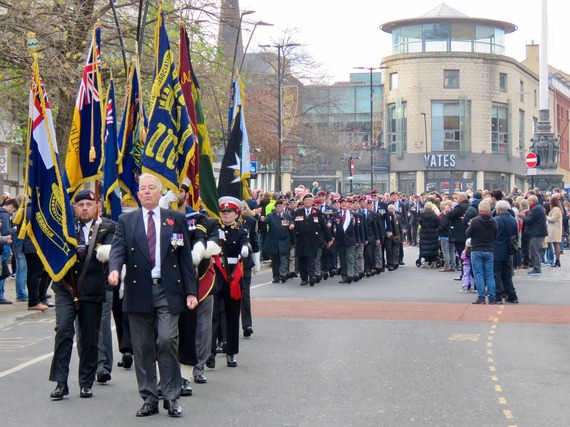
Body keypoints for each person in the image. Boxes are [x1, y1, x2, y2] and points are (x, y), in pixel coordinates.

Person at [108, 173, 198, 418]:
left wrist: (191, 292)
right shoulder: (127, 221)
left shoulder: (175, 220)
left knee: (167, 340)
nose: (146, 192)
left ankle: (171, 396)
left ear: (160, 193)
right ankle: (149, 398)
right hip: (139, 291)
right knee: (143, 347)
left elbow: (185, 259)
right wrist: (114, 269)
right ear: (138, 195)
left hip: (168, 290)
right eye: (142, 189)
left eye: (151, 188)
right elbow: (117, 250)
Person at [49, 190, 115, 400]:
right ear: (74, 207)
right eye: (81, 204)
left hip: (92, 289)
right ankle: (60, 382)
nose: (85, 208)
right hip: (66, 287)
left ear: (97, 206)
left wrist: (91, 250)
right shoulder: (64, 227)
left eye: (89, 204)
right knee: (63, 332)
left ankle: (86, 382)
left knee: (89, 337)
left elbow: (109, 252)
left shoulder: (106, 227)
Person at [211, 196, 250, 368]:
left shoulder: (241, 232)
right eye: (224, 212)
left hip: (233, 277)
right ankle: (210, 352)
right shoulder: (215, 230)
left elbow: (245, 244)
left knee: (233, 317)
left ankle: (231, 352)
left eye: (229, 212)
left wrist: (246, 248)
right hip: (217, 277)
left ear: (236, 214)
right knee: (213, 317)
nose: (226, 214)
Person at [293, 194, 332, 286]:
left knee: (311, 259)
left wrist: (329, 238)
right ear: (303, 201)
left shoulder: (317, 212)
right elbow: (293, 224)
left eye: (309, 200)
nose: (307, 202)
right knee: (302, 260)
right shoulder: (298, 212)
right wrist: (293, 238)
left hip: (312, 240)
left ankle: (312, 276)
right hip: (301, 239)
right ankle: (304, 278)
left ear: (312, 202)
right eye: (306, 200)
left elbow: (323, 226)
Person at [466, 199, 498, 304]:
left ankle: (481, 297)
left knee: (479, 274)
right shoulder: (494, 221)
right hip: (489, 248)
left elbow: (468, 234)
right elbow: (495, 236)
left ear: (479, 209)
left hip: (477, 249)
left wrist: (470, 225)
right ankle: (492, 297)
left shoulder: (475, 221)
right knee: (490, 274)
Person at [260, 199, 295, 283]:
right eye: (277, 207)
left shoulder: (288, 216)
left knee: (284, 259)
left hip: (284, 241)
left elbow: (291, 225)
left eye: (280, 206)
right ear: (275, 208)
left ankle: (283, 275)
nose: (279, 208)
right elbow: (266, 220)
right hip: (274, 242)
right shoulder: (271, 216)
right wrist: (262, 219)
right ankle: (276, 276)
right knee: (275, 260)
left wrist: (292, 225)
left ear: (283, 207)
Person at [493, 200, 519, 304]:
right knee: (507, 274)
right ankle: (512, 295)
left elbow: (493, 235)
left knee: (496, 274)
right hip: (509, 249)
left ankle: (498, 296)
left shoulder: (496, 220)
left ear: (498, 209)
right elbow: (515, 236)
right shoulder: (513, 220)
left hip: (497, 249)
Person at [330, 197, 359, 283]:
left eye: (346, 203)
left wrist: (357, 240)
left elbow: (357, 229)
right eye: (342, 203)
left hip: (350, 239)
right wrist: (329, 223)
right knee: (342, 259)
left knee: (350, 257)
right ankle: (344, 276)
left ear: (348, 204)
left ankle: (350, 275)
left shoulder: (353, 215)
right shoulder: (336, 214)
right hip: (340, 240)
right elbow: (331, 221)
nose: (344, 204)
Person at [519, 195, 548, 276]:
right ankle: (536, 268)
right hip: (537, 232)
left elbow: (529, 220)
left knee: (535, 251)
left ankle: (537, 269)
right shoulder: (538, 208)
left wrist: (523, 216)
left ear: (533, 201)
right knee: (535, 251)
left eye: (529, 200)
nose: (528, 202)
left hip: (537, 233)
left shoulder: (536, 209)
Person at [418, 202, 440, 268]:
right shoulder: (434, 215)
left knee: (425, 247)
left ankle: (426, 262)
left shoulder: (421, 215)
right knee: (433, 247)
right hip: (433, 233)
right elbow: (438, 224)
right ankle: (434, 262)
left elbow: (419, 222)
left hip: (424, 233)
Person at [546, 196, 563, 268]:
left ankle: (557, 260)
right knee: (555, 245)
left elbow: (553, 219)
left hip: (555, 229)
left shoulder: (556, 209)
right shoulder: (557, 209)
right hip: (555, 229)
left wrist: (546, 217)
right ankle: (557, 260)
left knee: (556, 245)